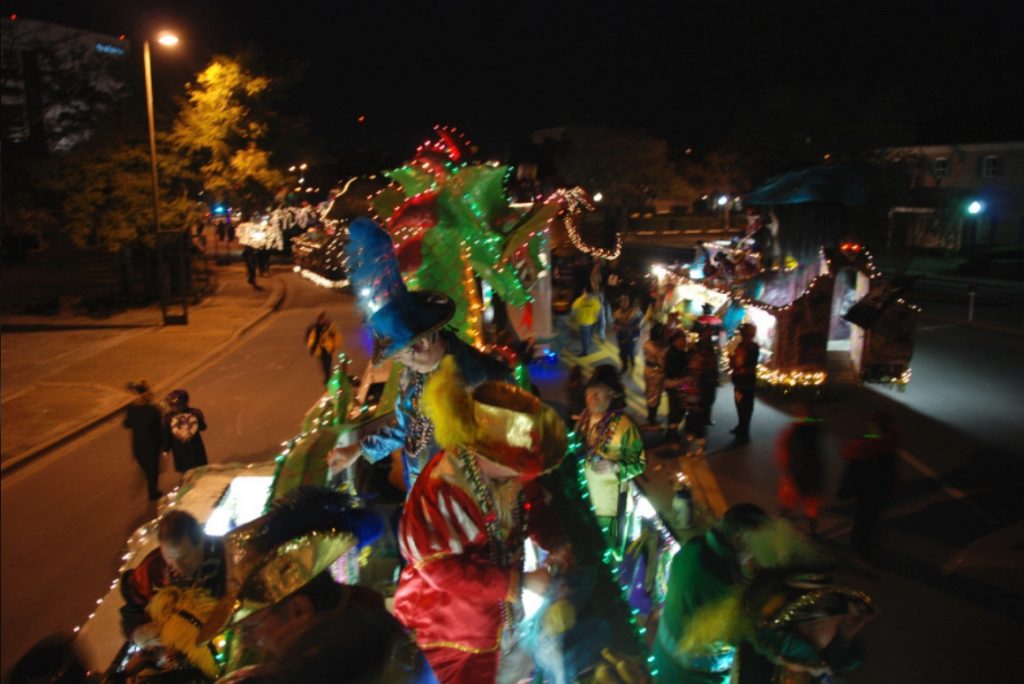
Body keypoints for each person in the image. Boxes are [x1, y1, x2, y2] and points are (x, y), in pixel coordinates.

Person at [393, 358, 571, 683]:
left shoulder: (507, 478)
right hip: (452, 628)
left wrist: (554, 539)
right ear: (488, 456)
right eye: (520, 467)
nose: (525, 476)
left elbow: (530, 507)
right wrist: (518, 582)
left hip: (499, 619)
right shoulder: (441, 489)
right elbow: (438, 569)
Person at [328, 218, 510, 492]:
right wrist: (358, 449)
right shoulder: (412, 377)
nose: (399, 363)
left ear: (423, 343)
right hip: (422, 502)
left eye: (400, 356)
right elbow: (407, 429)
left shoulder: (484, 380)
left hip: (465, 514)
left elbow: (509, 457)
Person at [197, 488, 434, 683]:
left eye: (250, 627)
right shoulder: (364, 624)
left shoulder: (324, 670)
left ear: (299, 611)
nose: (248, 641)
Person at [651, 503, 770, 683]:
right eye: (758, 544)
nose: (759, 552)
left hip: (663, 658)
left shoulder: (695, 546)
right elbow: (742, 636)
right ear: (738, 539)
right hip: (689, 677)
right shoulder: (718, 582)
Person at [120, 510, 226, 653]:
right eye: (169, 558)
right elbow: (131, 612)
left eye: (183, 558)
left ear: (200, 542)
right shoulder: (151, 569)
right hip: (179, 649)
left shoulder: (225, 553)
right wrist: (137, 634)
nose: (176, 566)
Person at [576, 364, 646, 557]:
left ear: (611, 395)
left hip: (612, 506)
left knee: (611, 555)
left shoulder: (624, 426)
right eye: (589, 393)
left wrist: (615, 466)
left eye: (598, 393)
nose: (591, 398)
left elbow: (639, 464)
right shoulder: (584, 420)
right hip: (588, 500)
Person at [839, 412, 899, 559]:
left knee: (865, 519)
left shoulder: (869, 445)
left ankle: (860, 545)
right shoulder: (884, 445)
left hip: (871, 489)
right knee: (866, 519)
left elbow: (854, 468)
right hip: (873, 489)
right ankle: (861, 546)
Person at [775, 407, 826, 536]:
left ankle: (784, 517)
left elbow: (782, 453)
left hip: (795, 474)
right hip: (812, 475)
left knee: (790, 498)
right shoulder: (815, 432)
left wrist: (786, 471)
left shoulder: (791, 433)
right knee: (811, 505)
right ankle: (813, 532)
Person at [123, 380, 164, 500]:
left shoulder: (131, 408)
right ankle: (153, 492)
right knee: (153, 469)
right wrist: (164, 444)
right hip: (152, 445)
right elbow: (159, 429)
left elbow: (127, 424)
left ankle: (150, 482)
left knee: (147, 467)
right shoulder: (154, 409)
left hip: (138, 445)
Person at [162, 389, 208, 475]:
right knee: (200, 470)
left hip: (180, 449)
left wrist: (166, 449)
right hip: (195, 447)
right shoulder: (194, 412)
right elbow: (203, 427)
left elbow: (167, 436)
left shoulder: (168, 418)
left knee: (186, 472)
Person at [728, 323, 759, 442]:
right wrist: (732, 361)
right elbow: (736, 361)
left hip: (747, 381)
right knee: (739, 404)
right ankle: (741, 425)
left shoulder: (753, 347)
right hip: (739, 381)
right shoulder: (741, 345)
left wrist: (740, 369)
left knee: (746, 405)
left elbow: (751, 366)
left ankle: (744, 428)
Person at [663, 331, 690, 444]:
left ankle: (672, 433)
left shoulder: (676, 352)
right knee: (677, 408)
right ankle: (672, 435)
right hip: (677, 384)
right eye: (682, 340)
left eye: (685, 339)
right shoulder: (675, 354)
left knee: (677, 407)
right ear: (675, 341)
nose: (684, 342)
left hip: (676, 384)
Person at [305, 310, 343, 385]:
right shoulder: (314, 327)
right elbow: (310, 337)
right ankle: (327, 376)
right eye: (320, 319)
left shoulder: (330, 326)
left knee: (328, 362)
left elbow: (336, 335)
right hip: (319, 349)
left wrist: (336, 344)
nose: (321, 320)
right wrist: (311, 346)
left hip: (328, 348)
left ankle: (328, 376)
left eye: (322, 318)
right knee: (323, 363)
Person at [642, 323, 668, 427]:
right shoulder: (657, 349)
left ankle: (650, 417)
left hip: (648, 370)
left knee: (650, 394)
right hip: (656, 374)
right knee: (654, 397)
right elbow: (662, 363)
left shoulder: (647, 343)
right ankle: (651, 420)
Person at [612, 294, 643, 374]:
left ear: (628, 303)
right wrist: (616, 327)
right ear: (620, 303)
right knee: (623, 352)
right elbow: (615, 324)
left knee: (631, 352)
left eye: (626, 301)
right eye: (622, 301)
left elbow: (639, 321)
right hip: (621, 337)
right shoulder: (616, 313)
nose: (624, 303)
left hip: (630, 336)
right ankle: (625, 366)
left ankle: (632, 362)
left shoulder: (633, 312)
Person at [571, 286, 602, 356]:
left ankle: (585, 351)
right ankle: (589, 343)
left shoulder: (579, 301)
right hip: (593, 321)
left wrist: (574, 319)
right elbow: (598, 312)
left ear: (584, 291)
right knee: (589, 334)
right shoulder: (595, 301)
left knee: (584, 338)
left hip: (583, 322)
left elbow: (574, 312)